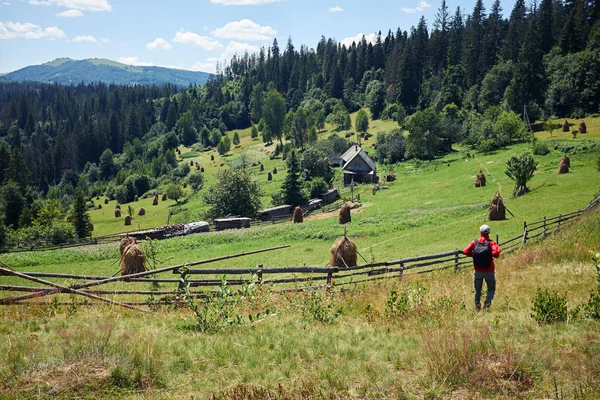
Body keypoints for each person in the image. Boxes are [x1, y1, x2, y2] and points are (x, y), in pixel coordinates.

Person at [463, 224, 501, 310]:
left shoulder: (474, 242)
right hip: (489, 270)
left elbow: (465, 251)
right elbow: (496, 253)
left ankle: (477, 306)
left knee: (477, 290)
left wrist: (473, 254)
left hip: (477, 270)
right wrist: (490, 254)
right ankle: (487, 303)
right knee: (491, 288)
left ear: (480, 232)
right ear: (489, 233)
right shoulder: (491, 243)